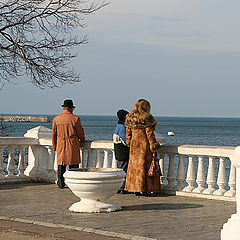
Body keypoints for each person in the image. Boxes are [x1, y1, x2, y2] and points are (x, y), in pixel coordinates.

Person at [124, 99, 161, 196]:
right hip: (144, 146)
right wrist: (154, 145)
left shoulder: (130, 117)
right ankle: (144, 189)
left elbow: (128, 133)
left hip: (134, 146)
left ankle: (136, 189)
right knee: (145, 168)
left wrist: (129, 141)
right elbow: (150, 134)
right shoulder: (147, 118)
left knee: (135, 168)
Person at [52, 99, 85, 189]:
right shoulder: (75, 118)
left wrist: (55, 146)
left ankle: (60, 183)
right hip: (71, 143)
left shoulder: (56, 119)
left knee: (61, 164)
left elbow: (53, 134)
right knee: (73, 164)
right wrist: (82, 139)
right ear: (71, 108)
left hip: (60, 143)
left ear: (64, 108)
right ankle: (73, 183)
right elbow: (80, 132)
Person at [113, 109, 130, 194]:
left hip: (118, 152)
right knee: (124, 169)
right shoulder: (122, 128)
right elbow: (126, 141)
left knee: (121, 169)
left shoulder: (118, 126)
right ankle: (123, 188)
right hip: (123, 152)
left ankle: (120, 187)